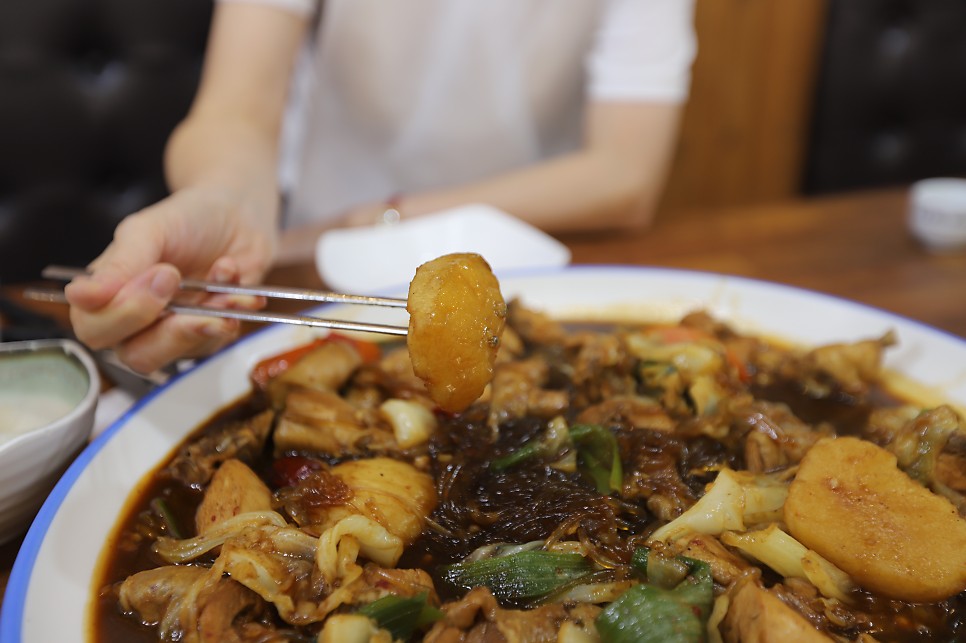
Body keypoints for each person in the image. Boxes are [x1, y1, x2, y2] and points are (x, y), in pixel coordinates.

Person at [65, 0, 697, 374]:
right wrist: (226, 199)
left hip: (533, 275)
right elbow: (236, 109)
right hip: (320, 270)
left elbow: (625, 174)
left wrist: (387, 217)